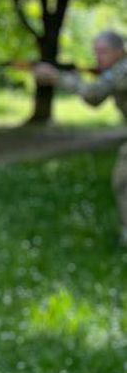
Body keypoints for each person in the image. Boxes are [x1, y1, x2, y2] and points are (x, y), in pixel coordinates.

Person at [34, 30, 127, 242]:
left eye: (103, 52)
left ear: (120, 51)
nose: (98, 58)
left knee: (124, 181)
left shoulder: (122, 69)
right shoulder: (117, 69)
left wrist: (57, 77)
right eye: (96, 52)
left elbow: (93, 95)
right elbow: (95, 98)